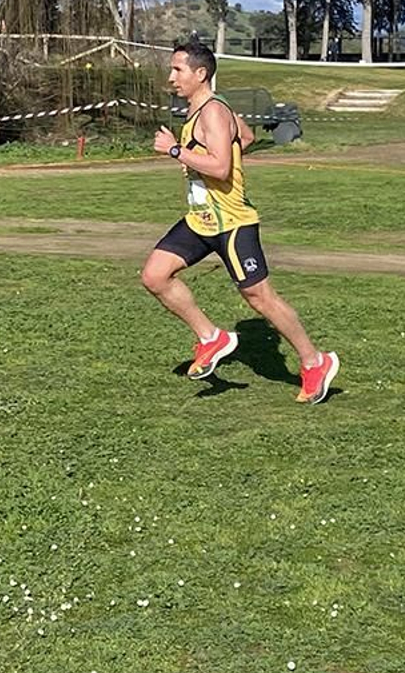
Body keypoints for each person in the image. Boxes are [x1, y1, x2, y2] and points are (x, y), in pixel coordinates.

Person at [140, 41, 339, 403]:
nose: (171, 78)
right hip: (201, 220)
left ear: (201, 74)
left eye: (178, 70)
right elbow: (244, 138)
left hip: (232, 221)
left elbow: (221, 167)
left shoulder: (213, 112)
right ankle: (211, 337)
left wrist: (176, 151)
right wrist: (200, 156)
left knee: (259, 297)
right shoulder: (202, 110)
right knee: (155, 275)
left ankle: (315, 362)